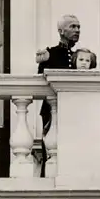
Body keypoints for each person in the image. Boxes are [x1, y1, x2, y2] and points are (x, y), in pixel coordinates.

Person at [35, 14, 81, 177]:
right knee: (51, 149)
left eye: (78, 27)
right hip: (52, 109)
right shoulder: (50, 53)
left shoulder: (79, 56)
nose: (77, 30)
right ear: (61, 31)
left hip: (73, 109)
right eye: (72, 27)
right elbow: (41, 81)